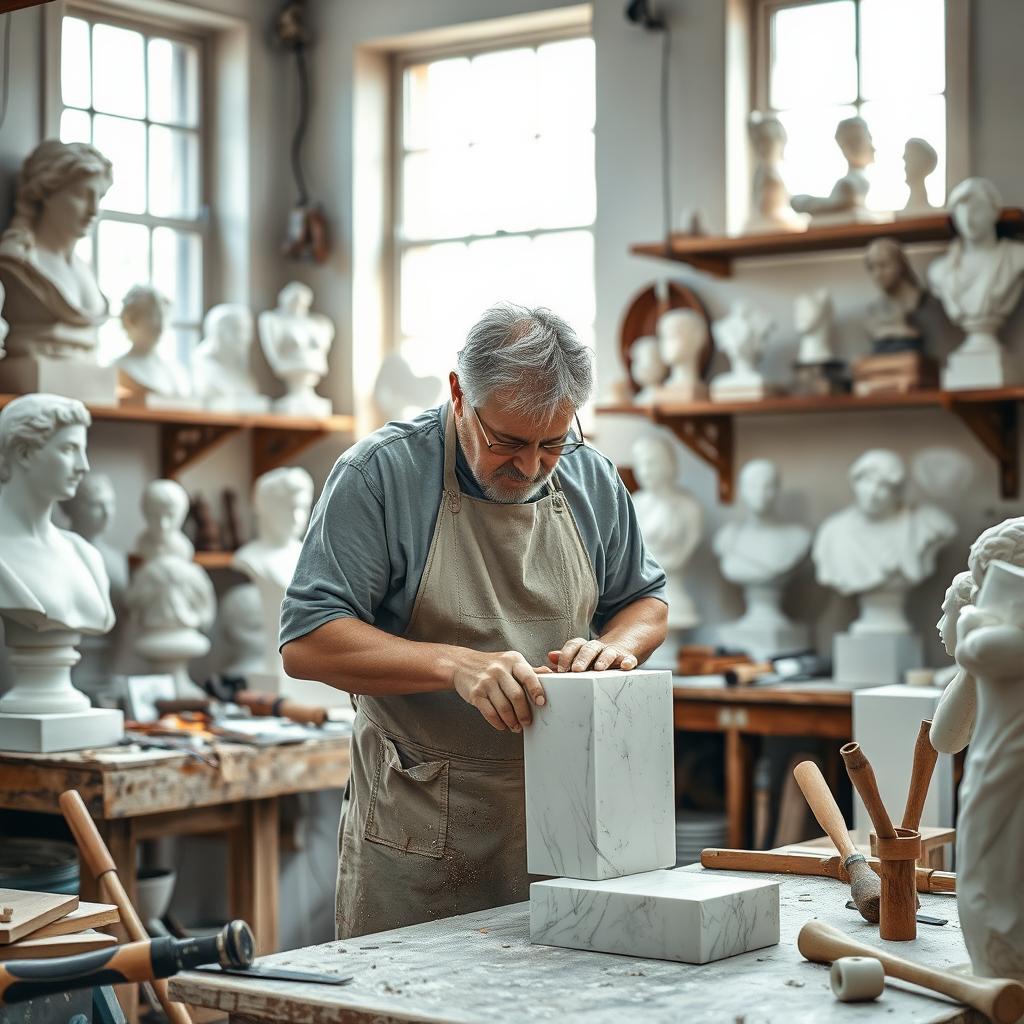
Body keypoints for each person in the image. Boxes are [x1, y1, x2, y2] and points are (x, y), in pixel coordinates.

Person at [280, 302, 668, 939]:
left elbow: (646, 600)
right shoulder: (379, 476)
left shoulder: (590, 476)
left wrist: (616, 648)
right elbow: (308, 641)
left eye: (553, 443)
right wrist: (453, 663)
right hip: (423, 821)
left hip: (571, 815)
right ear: (459, 392)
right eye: (509, 442)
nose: (531, 465)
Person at [0, 140, 112, 358]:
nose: (94, 210)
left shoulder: (84, 270)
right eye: (81, 194)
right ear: (46, 193)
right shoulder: (17, 262)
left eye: (99, 197)